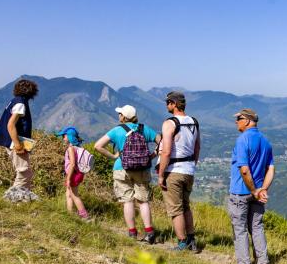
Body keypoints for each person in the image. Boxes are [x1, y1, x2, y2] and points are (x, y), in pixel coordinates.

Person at [94, 105, 160, 243]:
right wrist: (151, 156)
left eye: (120, 114)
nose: (119, 116)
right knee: (143, 201)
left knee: (127, 201)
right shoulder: (144, 129)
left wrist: (113, 156)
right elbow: (162, 142)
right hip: (142, 168)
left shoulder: (117, 130)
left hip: (121, 167)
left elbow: (97, 146)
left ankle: (132, 233)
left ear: (123, 117)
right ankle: (149, 232)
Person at [228, 108, 275, 264]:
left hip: (241, 192)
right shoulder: (265, 141)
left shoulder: (243, 140)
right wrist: (263, 189)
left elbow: (245, 170)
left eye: (239, 118)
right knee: (257, 227)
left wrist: (254, 190)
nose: (236, 121)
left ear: (247, 120)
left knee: (239, 230)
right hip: (257, 193)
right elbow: (271, 169)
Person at [157, 91, 201, 251]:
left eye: (168, 102)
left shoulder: (169, 123)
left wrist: (161, 175)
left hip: (174, 170)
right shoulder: (194, 122)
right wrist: (192, 164)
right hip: (189, 170)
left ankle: (182, 242)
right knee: (186, 206)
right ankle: (192, 239)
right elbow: (197, 146)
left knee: (175, 209)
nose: (166, 105)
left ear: (174, 104)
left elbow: (166, 152)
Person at [0, 79, 39, 190]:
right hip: (15, 142)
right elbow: (10, 125)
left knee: (24, 172)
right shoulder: (20, 104)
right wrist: (18, 145)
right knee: (24, 172)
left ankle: (22, 199)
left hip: (11, 141)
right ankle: (13, 200)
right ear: (31, 91)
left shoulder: (15, 100)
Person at [57, 126, 89, 220]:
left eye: (64, 136)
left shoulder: (71, 148)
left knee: (74, 195)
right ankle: (69, 215)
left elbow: (72, 164)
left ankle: (85, 216)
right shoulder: (78, 147)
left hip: (73, 174)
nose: (62, 138)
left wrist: (68, 178)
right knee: (69, 194)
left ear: (69, 137)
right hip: (77, 173)